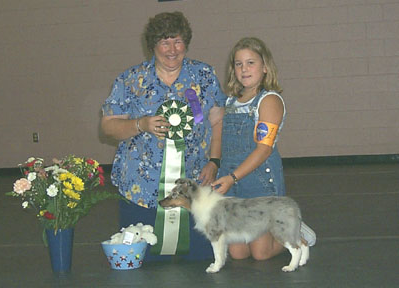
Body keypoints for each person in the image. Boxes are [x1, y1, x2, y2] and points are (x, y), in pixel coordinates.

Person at [101, 11, 226, 260]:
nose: (172, 49)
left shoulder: (204, 75)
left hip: (194, 186)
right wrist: (141, 124)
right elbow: (108, 126)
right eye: (165, 42)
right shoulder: (130, 80)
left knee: (201, 259)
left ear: (186, 43)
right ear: (153, 45)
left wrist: (214, 161)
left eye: (178, 41)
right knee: (141, 262)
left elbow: (217, 121)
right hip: (141, 190)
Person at [212, 37, 316, 261]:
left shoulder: (268, 100)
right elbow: (218, 138)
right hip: (231, 181)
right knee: (238, 254)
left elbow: (264, 150)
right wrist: (215, 166)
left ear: (265, 67)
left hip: (258, 179)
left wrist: (232, 177)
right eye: (238, 64)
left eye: (251, 63)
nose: (244, 69)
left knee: (261, 254)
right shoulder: (230, 102)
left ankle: (298, 233)